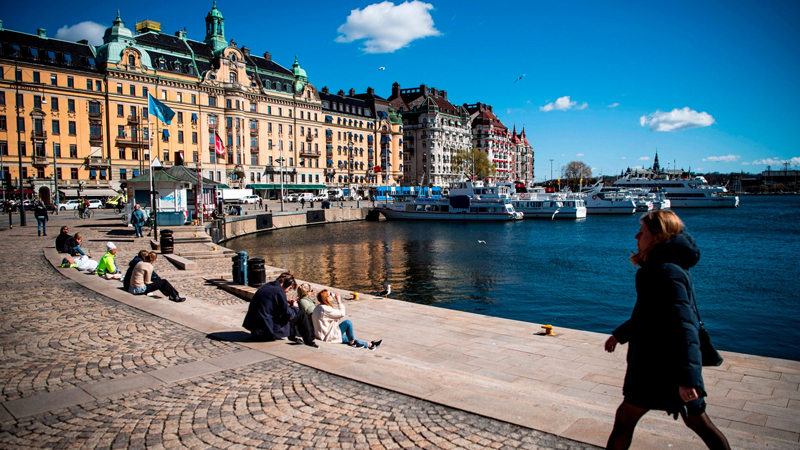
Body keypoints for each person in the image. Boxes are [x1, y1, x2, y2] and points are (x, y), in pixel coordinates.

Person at [604, 210, 730, 450]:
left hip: (660, 368)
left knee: (626, 421)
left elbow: (685, 328)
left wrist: (688, 380)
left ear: (658, 237)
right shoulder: (662, 268)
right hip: (661, 365)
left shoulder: (666, 272)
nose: (636, 236)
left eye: (642, 233)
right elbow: (650, 315)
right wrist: (620, 335)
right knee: (698, 423)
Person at [242, 272, 317, 347]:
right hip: (267, 331)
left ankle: (293, 337)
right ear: (286, 284)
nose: (287, 291)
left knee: (291, 311)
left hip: (255, 329)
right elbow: (288, 314)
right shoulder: (279, 291)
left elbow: (271, 305)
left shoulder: (266, 286)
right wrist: (294, 307)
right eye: (289, 288)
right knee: (299, 313)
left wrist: (285, 301)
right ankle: (309, 341)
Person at [312, 289, 382, 350]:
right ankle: (359, 343)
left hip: (323, 333)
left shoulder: (318, 307)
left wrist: (335, 318)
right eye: (330, 294)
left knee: (348, 336)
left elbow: (327, 318)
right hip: (328, 336)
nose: (331, 295)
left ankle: (369, 345)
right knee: (348, 323)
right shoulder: (326, 309)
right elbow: (342, 313)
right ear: (326, 298)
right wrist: (339, 301)